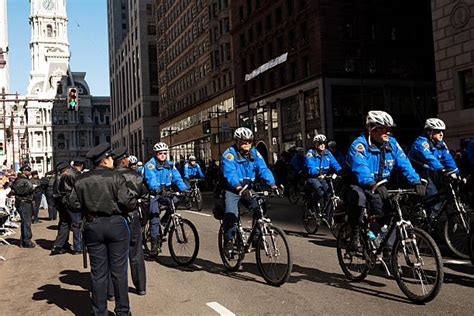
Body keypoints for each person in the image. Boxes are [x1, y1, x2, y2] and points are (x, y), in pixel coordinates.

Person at [69, 142, 136, 316]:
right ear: (105, 160)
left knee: (98, 273)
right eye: (111, 157)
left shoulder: (82, 179)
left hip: (92, 226)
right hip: (116, 225)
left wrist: (87, 207)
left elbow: (73, 203)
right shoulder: (116, 177)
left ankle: (99, 312)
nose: (113, 159)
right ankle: (123, 311)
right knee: (119, 272)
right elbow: (128, 202)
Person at [345, 110, 425, 250]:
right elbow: (361, 168)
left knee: (392, 212)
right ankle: (355, 234)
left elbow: (404, 162)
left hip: (382, 184)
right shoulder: (359, 145)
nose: (387, 132)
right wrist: (372, 183)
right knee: (359, 199)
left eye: (389, 129)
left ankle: (388, 250)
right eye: (383, 128)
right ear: (371, 129)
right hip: (361, 183)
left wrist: (416, 181)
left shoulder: (392, 143)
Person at [220, 127, 280, 257]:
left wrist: (273, 185)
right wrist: (238, 187)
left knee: (260, 207)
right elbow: (230, 174)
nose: (247, 144)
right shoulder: (229, 155)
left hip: (249, 188)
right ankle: (229, 241)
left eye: (249, 141)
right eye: (243, 141)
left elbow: (263, 169)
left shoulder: (254, 153)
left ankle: (256, 238)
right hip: (233, 189)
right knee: (231, 214)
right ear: (237, 141)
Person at [108, 147, 148, 297]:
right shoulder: (135, 176)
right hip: (132, 217)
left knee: (114, 255)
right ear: (124, 160)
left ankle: (112, 291)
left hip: (114, 218)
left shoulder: (109, 176)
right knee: (136, 252)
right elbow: (144, 198)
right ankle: (140, 287)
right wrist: (144, 219)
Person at [408, 118, 460, 220]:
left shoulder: (440, 144)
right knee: (432, 195)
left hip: (431, 171)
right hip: (417, 171)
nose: (441, 134)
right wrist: (442, 169)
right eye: (438, 131)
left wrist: (456, 172)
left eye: (442, 131)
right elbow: (429, 158)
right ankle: (429, 221)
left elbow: (447, 158)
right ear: (429, 132)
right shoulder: (421, 143)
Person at [143, 142, 189, 256]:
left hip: (166, 192)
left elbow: (177, 177)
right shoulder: (150, 165)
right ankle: (154, 243)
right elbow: (150, 178)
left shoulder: (170, 165)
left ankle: (165, 220)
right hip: (154, 193)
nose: (163, 155)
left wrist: (184, 188)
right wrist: (156, 188)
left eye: (164, 153)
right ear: (156, 154)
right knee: (154, 217)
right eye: (160, 153)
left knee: (176, 200)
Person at [50, 161, 81, 255]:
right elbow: (78, 188)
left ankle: (58, 246)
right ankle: (77, 247)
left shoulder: (58, 177)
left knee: (64, 224)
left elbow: (55, 192)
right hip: (71, 202)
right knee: (76, 224)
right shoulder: (72, 174)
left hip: (61, 203)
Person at [305, 134, 342, 207]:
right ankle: (310, 206)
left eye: (324, 143)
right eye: (320, 143)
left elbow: (335, 163)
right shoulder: (310, 153)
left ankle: (327, 215)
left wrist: (341, 171)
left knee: (329, 193)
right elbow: (311, 166)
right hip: (313, 177)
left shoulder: (327, 152)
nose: (322, 145)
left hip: (323, 177)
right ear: (315, 144)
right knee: (320, 192)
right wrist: (316, 173)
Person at [8, 166, 35, 248]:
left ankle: (23, 241)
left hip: (26, 202)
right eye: (28, 170)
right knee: (26, 222)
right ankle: (27, 241)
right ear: (24, 171)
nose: (30, 172)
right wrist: (31, 189)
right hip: (23, 202)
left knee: (26, 221)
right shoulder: (20, 180)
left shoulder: (24, 179)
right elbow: (19, 191)